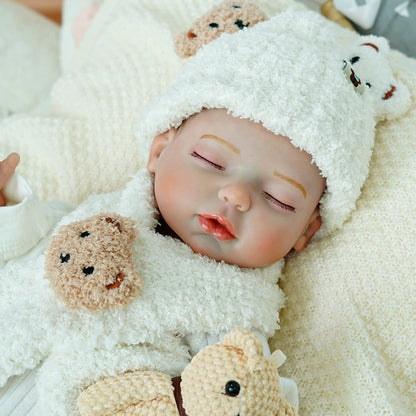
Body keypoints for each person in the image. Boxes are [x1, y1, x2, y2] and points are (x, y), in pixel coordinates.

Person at [0, 9, 382, 416]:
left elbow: (258, 392)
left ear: (305, 232)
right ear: (160, 151)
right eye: (210, 160)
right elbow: (26, 245)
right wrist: (9, 209)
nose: (236, 195)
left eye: (279, 199)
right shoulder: (99, 213)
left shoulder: (234, 313)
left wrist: (203, 399)